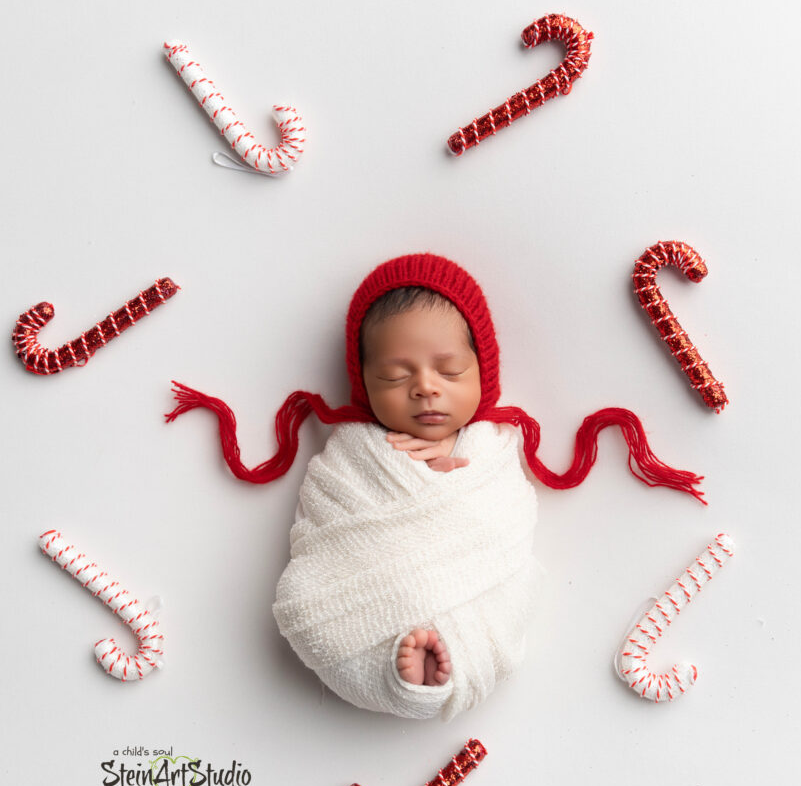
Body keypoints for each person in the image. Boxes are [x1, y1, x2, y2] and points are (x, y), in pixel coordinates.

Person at [167, 253, 703, 719]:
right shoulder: (351, 457)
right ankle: (411, 669)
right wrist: (402, 479)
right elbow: (325, 533)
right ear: (363, 386)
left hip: (473, 606)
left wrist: (454, 479)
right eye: (396, 378)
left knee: (504, 597)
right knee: (310, 610)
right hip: (362, 606)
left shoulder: (492, 454)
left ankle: (437, 669)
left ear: (483, 373)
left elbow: (503, 522)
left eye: (448, 370)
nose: (425, 388)